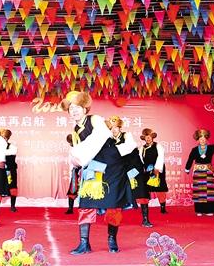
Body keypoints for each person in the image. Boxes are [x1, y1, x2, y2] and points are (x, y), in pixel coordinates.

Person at [64, 90, 134, 255]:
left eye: (77, 107)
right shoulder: (75, 130)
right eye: (71, 108)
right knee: (86, 204)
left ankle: (112, 239)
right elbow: (79, 156)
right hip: (94, 168)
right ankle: (84, 243)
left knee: (113, 205)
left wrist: (79, 154)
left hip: (112, 166)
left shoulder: (94, 119)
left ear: (85, 108)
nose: (74, 111)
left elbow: (99, 137)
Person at [184, 128, 214, 216]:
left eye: (204, 139)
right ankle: (199, 210)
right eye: (200, 139)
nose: (202, 140)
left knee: (209, 191)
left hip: (208, 171)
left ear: (206, 139)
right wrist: (187, 169)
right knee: (199, 191)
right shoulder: (194, 150)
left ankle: (210, 210)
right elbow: (190, 160)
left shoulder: (210, 148)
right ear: (198, 140)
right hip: (198, 172)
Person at [125, 128, 155, 227]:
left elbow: (140, 163)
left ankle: (145, 220)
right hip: (124, 176)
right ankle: (113, 221)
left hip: (137, 176)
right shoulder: (118, 150)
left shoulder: (135, 151)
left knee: (143, 197)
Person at [141, 127, 169, 214]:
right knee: (145, 189)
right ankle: (145, 208)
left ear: (152, 137)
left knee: (160, 188)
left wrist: (156, 169)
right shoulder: (142, 148)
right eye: (146, 137)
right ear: (144, 138)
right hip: (147, 170)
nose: (148, 138)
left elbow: (161, 157)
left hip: (157, 169)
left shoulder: (158, 146)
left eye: (149, 136)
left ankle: (163, 207)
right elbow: (140, 159)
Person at [0, 129, 19, 212]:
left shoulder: (12, 147)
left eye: (4, 138)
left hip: (10, 170)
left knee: (12, 187)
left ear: (7, 138)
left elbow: (10, 152)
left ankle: (12, 206)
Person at [65, 133, 81, 214]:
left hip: (82, 170)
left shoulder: (80, 147)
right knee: (73, 189)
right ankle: (70, 208)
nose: (70, 144)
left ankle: (78, 207)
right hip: (76, 170)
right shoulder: (73, 149)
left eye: (71, 141)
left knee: (82, 189)